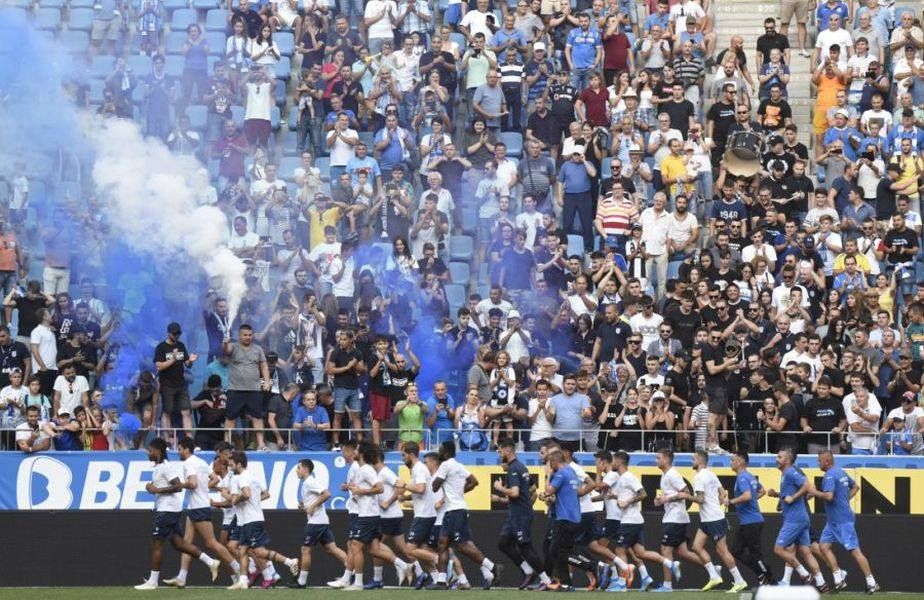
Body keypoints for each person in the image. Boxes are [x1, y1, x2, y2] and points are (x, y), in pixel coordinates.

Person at [134, 438, 220, 590]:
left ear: (158, 451)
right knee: (180, 544)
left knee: (157, 545)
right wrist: (152, 487)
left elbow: (178, 486)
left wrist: (157, 490)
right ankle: (211, 562)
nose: (149, 453)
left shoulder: (167, 467)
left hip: (167, 511)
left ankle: (153, 582)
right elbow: (167, 486)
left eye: (151, 450)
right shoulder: (159, 467)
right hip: (169, 510)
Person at [163, 438, 240, 589]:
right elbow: (215, 478)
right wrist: (203, 489)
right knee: (186, 543)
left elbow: (192, 483)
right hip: (196, 506)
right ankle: (182, 577)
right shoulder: (201, 462)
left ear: (186, 450)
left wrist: (178, 485)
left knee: (210, 542)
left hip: (199, 507)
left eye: (179, 449)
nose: (178, 452)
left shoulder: (189, 463)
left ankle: (239, 569)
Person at [429, 441, 500, 589]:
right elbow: (474, 482)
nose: (439, 452)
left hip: (455, 511)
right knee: (442, 543)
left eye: (441, 450)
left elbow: (434, 487)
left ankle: (492, 566)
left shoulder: (445, 465)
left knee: (462, 546)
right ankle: (441, 581)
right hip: (453, 510)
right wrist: (460, 492)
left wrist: (438, 478)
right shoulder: (459, 466)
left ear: (446, 452)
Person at [227, 450, 299, 589]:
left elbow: (246, 494)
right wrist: (254, 501)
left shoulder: (242, 477)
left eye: (232, 465)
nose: (230, 468)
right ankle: (242, 581)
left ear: (239, 464)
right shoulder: (253, 476)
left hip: (251, 520)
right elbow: (266, 494)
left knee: (259, 552)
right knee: (243, 550)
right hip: (250, 518)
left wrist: (236, 499)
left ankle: (290, 562)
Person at [809, 450, 879, 593]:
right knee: (823, 546)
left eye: (819, 461)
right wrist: (844, 500)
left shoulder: (829, 475)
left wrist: (812, 491)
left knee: (855, 551)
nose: (818, 463)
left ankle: (872, 582)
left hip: (842, 520)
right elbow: (855, 487)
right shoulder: (840, 472)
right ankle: (838, 578)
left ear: (827, 461)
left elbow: (828, 497)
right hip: (833, 520)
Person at [345, 442, 410, 590]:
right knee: (374, 550)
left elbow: (379, 488)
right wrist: (356, 490)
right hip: (372, 514)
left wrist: (361, 491)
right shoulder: (365, 469)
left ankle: (358, 583)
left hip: (368, 515)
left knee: (355, 546)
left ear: (361, 453)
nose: (353, 451)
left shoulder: (366, 469)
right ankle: (404, 566)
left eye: (355, 449)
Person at [767, 448, 828, 592]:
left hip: (795, 519)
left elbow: (807, 486)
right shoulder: (785, 474)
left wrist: (793, 498)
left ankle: (804, 574)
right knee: (805, 551)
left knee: (779, 549)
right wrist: (779, 497)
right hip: (800, 517)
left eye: (780, 457)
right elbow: (790, 493)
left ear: (787, 460)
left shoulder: (790, 472)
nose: (777, 459)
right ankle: (821, 583)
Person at [494, 438, 551, 589]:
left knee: (525, 546)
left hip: (520, 515)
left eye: (500, 451)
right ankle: (528, 571)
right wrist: (527, 506)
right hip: (517, 514)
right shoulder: (521, 467)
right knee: (503, 543)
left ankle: (546, 580)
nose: (500, 455)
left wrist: (500, 488)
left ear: (508, 450)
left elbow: (514, 493)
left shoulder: (513, 469)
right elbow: (532, 489)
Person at [690, 450, 748, 592]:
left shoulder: (699, 477)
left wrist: (684, 495)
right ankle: (714, 576)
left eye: (693, 459)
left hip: (713, 519)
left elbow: (700, 499)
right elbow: (723, 494)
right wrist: (717, 504)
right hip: (709, 518)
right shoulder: (711, 474)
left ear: (700, 461)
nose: (692, 462)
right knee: (696, 546)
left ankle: (740, 581)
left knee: (722, 551)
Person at [292, 458, 349, 588]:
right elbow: (315, 498)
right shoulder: (306, 482)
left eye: (299, 468)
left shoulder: (310, 481)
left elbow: (327, 494)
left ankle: (301, 582)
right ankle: (352, 569)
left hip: (316, 522)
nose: (297, 470)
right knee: (331, 549)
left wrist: (312, 506)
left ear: (306, 469)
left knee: (305, 549)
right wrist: (305, 505)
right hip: (321, 520)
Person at [652, 448, 699, 592]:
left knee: (665, 550)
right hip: (672, 517)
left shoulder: (673, 474)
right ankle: (711, 568)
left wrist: (667, 498)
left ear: (666, 460)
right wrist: (660, 500)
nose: (656, 460)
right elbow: (670, 495)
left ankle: (667, 585)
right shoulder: (665, 475)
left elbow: (686, 493)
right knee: (683, 552)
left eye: (658, 458)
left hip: (676, 518)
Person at [727, 450, 774, 585]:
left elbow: (747, 496)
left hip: (751, 523)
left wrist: (731, 501)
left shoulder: (742, 477)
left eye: (733, 460)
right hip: (750, 522)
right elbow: (762, 491)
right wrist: (752, 500)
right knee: (736, 550)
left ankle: (771, 581)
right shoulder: (750, 476)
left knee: (756, 555)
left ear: (741, 461)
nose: (731, 462)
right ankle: (761, 573)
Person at [400, 441, 441, 589]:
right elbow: (421, 491)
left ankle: (442, 561)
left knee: (410, 549)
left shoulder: (419, 468)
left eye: (403, 455)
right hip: (426, 514)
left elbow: (421, 488)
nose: (402, 458)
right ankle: (437, 580)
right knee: (422, 551)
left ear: (411, 454)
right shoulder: (417, 469)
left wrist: (404, 485)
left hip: (424, 515)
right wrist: (405, 497)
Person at [223, 324, 270, 451]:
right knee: (231, 418)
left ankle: (261, 444)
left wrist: (266, 382)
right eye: (245, 335)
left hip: (254, 390)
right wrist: (225, 343)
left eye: (250, 335)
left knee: (257, 417)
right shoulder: (233, 346)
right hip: (235, 389)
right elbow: (226, 350)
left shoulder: (258, 349)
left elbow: (264, 366)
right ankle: (226, 444)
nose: (248, 337)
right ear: (239, 335)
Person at [540, 448, 581, 592]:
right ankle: (566, 583)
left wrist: (548, 475)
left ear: (555, 462)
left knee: (555, 550)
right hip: (575, 517)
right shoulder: (572, 472)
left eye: (550, 462)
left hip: (564, 518)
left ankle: (591, 567)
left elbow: (548, 490)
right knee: (564, 551)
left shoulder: (561, 474)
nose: (550, 465)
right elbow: (570, 493)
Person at [154, 322, 198, 439]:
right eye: (175, 334)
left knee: (186, 411)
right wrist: (172, 359)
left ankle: (189, 439)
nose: (177, 336)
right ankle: (167, 439)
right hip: (167, 384)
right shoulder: (161, 347)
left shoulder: (181, 346)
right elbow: (159, 366)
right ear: (169, 333)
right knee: (167, 411)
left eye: (179, 333)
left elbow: (187, 364)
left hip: (181, 383)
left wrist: (191, 360)